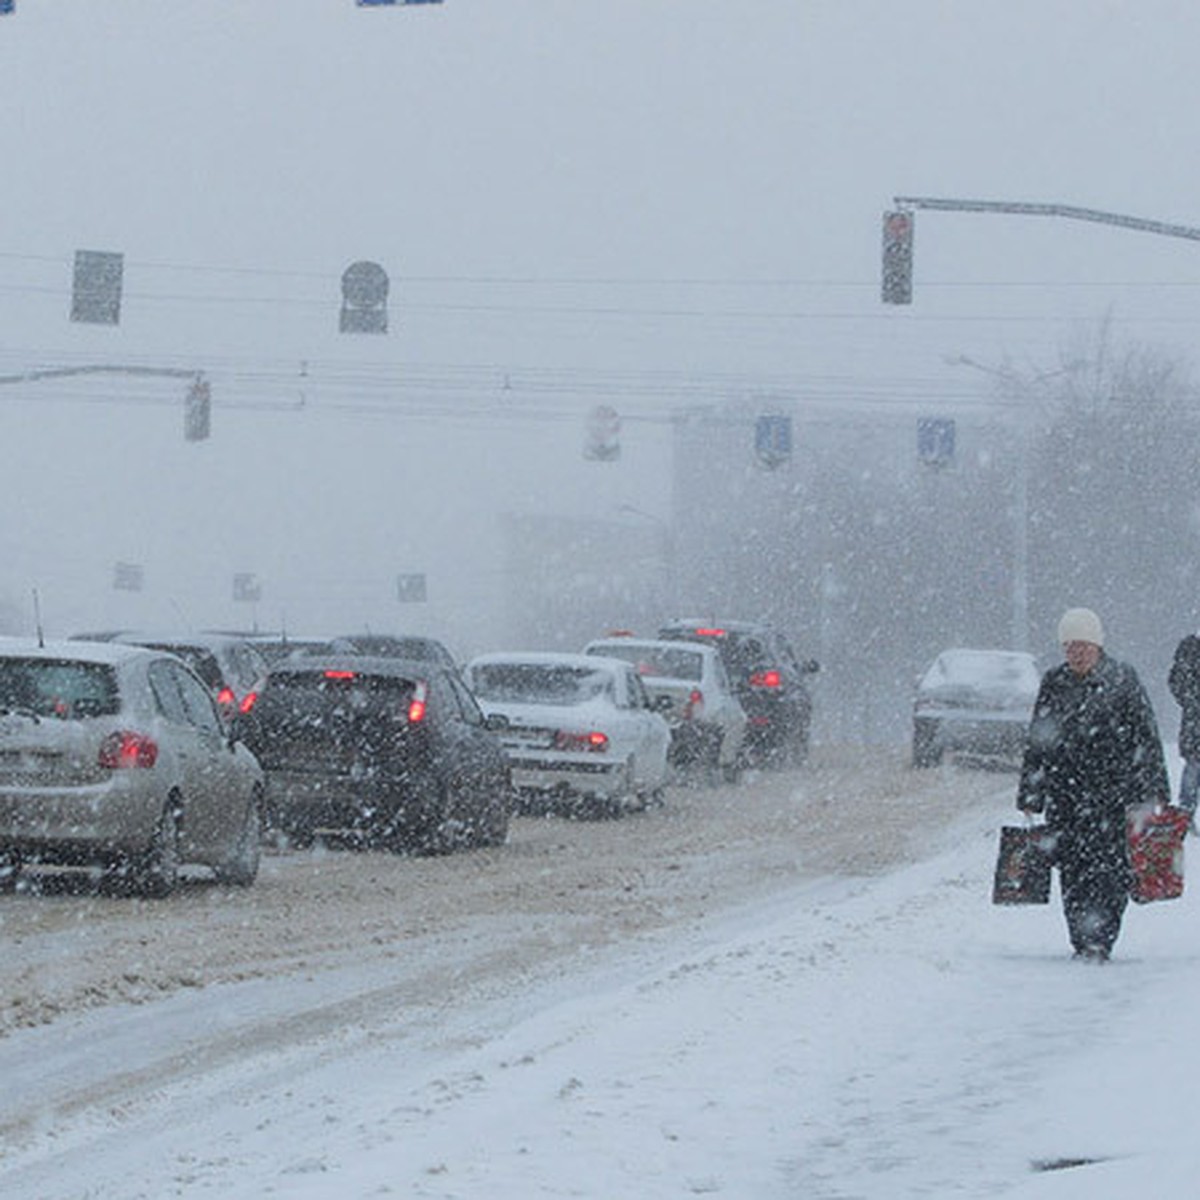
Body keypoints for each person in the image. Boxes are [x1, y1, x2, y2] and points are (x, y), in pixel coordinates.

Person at [1016, 607, 1170, 962]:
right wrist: (1030, 793)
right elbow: (1039, 740)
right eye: (1070, 647)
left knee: (1112, 870)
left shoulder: (1123, 680)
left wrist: (1154, 791)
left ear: (1097, 645)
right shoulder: (1054, 683)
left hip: (1114, 797)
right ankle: (1081, 939)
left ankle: (1102, 938)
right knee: (1072, 870)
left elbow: (1145, 738)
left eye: (1083, 646)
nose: (1076, 654)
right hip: (1066, 795)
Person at [1167, 632, 1200, 816]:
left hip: (1193, 723)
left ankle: (1186, 813)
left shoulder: (1188, 649)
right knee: (1193, 769)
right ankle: (1186, 813)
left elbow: (1175, 683)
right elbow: (1176, 682)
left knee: (1193, 770)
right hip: (1195, 724)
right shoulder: (1190, 649)